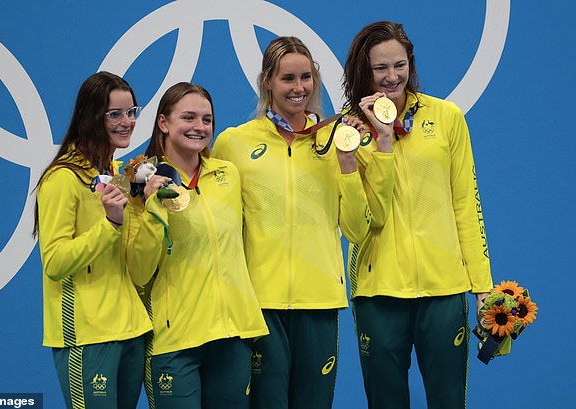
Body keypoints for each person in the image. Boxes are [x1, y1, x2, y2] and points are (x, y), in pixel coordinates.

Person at [212, 36, 371, 409]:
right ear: (267, 80)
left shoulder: (337, 139)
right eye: (287, 78)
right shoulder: (233, 143)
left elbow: (356, 229)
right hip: (259, 304)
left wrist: (348, 163)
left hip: (318, 301)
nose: (298, 88)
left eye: (305, 77)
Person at [341, 21, 494, 408]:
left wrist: (482, 287)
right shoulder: (349, 131)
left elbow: (466, 203)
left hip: (443, 291)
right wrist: (381, 142)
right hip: (379, 293)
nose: (392, 77)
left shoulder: (446, 118)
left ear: (410, 63)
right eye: (380, 69)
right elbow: (360, 222)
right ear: (364, 70)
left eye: (400, 65)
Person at [130, 82, 269, 409]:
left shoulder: (228, 174)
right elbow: (138, 270)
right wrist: (152, 206)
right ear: (163, 123)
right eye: (188, 117)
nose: (200, 127)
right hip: (176, 339)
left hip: (232, 335)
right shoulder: (139, 182)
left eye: (206, 119)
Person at [34, 71, 159, 409]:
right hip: (87, 335)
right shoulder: (63, 178)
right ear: (89, 117)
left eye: (132, 111)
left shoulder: (118, 175)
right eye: (115, 114)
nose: (127, 122)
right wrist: (109, 224)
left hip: (132, 330)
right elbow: (55, 261)